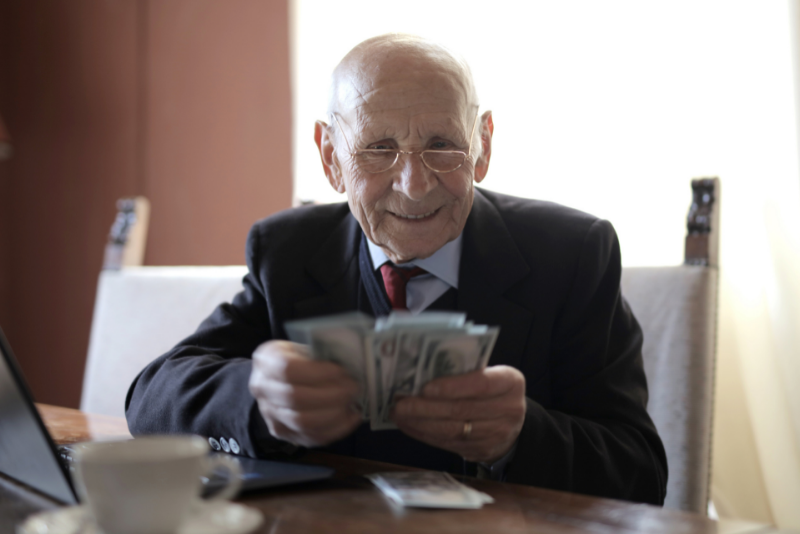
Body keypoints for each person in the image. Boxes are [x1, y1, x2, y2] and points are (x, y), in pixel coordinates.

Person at [126, 34, 668, 505]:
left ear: (482, 146)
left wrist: (520, 435)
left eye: (442, 146)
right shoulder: (290, 253)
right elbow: (151, 398)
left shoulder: (572, 255)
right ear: (331, 157)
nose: (414, 184)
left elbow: (640, 473)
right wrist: (258, 400)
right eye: (379, 149)